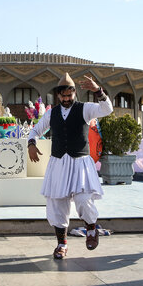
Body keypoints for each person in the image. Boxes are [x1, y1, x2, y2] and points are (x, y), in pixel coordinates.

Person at [28, 73, 113, 259]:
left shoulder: (85, 109)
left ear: (74, 93)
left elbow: (107, 109)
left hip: (80, 163)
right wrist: (31, 144)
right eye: (63, 96)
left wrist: (98, 90)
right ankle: (61, 244)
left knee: (83, 200)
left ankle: (91, 228)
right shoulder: (52, 113)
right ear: (58, 95)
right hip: (58, 163)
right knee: (57, 204)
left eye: (70, 96)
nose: (67, 99)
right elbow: (35, 129)